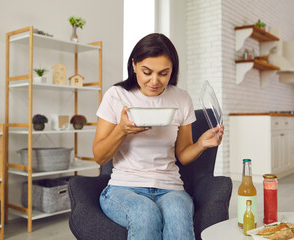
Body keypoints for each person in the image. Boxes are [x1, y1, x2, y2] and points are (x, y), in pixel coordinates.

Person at [93, 33, 224, 240]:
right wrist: (121, 130)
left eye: (163, 73)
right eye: (147, 72)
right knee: (145, 214)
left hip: (170, 187)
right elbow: (99, 157)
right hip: (124, 186)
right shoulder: (116, 95)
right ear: (134, 65)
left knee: (179, 216)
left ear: (172, 71)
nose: (154, 81)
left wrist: (200, 144)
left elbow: (183, 154)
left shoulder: (180, 98)